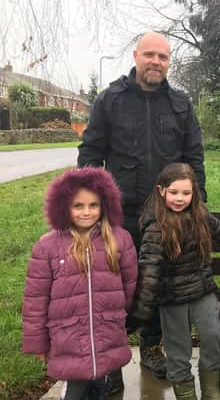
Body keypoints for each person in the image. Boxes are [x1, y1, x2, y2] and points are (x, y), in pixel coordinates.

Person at [78, 31, 207, 384]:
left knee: (157, 282)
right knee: (114, 286)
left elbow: (194, 158)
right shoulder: (111, 100)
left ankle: (151, 349)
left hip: (168, 217)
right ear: (136, 56)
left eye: (163, 57)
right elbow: (90, 153)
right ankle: (114, 362)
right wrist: (86, 206)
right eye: (150, 55)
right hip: (118, 215)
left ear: (169, 62)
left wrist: (197, 210)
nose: (156, 62)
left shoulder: (181, 104)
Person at [129, 163, 220, 400]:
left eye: (186, 193)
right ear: (161, 190)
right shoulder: (155, 227)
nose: (180, 198)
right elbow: (149, 272)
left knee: (213, 336)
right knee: (178, 350)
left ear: (194, 192)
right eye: (174, 192)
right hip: (172, 297)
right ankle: (186, 395)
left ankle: (211, 390)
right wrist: (140, 313)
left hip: (202, 289)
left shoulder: (199, 214)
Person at [22, 167, 138, 400]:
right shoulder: (48, 246)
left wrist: (120, 318)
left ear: (104, 205)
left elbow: (130, 284)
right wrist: (38, 342)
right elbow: (36, 298)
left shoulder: (120, 239)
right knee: (75, 390)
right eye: (78, 206)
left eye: (93, 205)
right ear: (64, 206)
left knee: (100, 386)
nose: (86, 212)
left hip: (107, 332)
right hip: (68, 337)